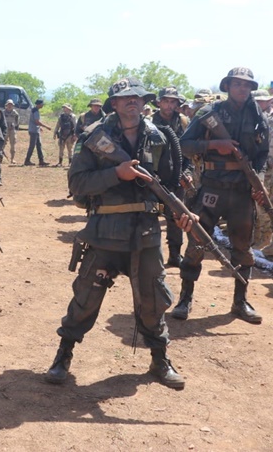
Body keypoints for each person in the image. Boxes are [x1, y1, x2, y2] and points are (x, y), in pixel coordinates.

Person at [45, 77, 193, 390]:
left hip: (146, 234)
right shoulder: (94, 136)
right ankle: (64, 354)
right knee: (85, 298)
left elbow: (168, 186)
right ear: (114, 103)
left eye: (138, 97)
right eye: (125, 97)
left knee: (153, 300)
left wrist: (181, 212)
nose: (132, 102)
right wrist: (116, 173)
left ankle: (159, 358)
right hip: (104, 232)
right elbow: (77, 185)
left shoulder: (158, 137)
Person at [174, 67, 269, 324]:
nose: (242, 89)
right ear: (227, 86)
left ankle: (240, 302)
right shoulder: (209, 113)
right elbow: (184, 144)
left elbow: (261, 157)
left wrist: (257, 181)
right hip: (212, 189)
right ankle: (185, 299)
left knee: (243, 248)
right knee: (196, 243)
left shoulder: (258, 117)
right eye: (237, 84)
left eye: (247, 85)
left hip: (241, 192)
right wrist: (215, 145)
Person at [151, 87, 190, 269]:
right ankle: (150, 256)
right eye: (166, 101)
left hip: (177, 178)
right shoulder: (149, 122)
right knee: (148, 216)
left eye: (173, 101)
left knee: (177, 217)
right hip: (153, 179)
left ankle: (175, 255)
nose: (169, 104)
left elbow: (189, 150)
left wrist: (187, 172)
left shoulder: (183, 122)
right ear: (159, 102)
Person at [251, 89, 273, 257]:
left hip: (270, 168)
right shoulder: (254, 119)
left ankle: (266, 238)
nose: (260, 104)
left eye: (263, 101)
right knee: (258, 203)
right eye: (257, 101)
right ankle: (259, 236)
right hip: (260, 167)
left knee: (266, 203)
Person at [25, 99, 51, 166]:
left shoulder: (34, 110)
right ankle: (27, 160)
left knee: (39, 145)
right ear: (39, 104)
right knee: (32, 146)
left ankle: (41, 160)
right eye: (42, 104)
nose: (42, 105)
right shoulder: (35, 111)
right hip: (34, 131)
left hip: (35, 130)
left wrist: (40, 127)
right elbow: (36, 121)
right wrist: (46, 126)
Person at [3, 99, 20, 164]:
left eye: (11, 105)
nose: (9, 106)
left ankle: (12, 159)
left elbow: (17, 121)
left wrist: (14, 125)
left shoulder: (15, 113)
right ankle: (1, 157)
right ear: (6, 105)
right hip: (5, 130)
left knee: (13, 144)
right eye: (8, 105)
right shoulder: (3, 113)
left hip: (12, 130)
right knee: (2, 144)